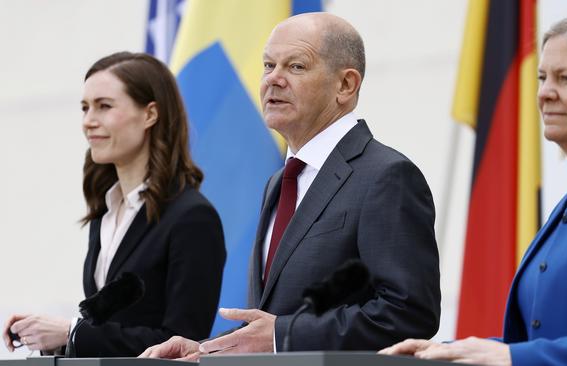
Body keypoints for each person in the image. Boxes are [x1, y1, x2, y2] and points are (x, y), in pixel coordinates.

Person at [140, 12, 440, 360]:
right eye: (268, 65)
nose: (273, 80)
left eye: (296, 67)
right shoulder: (278, 182)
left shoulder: (387, 177)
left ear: (346, 85)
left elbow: (409, 314)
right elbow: (273, 318)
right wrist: (208, 350)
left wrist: (282, 336)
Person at [380, 10, 567, 365]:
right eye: (542, 78)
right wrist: (452, 350)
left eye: (566, 78)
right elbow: (539, 341)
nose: (545, 94)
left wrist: (511, 357)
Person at [2, 52, 226, 357]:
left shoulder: (193, 218)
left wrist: (70, 331)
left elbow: (182, 343)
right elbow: (108, 328)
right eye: (85, 108)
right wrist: (52, 335)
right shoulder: (105, 213)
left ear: (150, 114)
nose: (88, 122)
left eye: (104, 106)